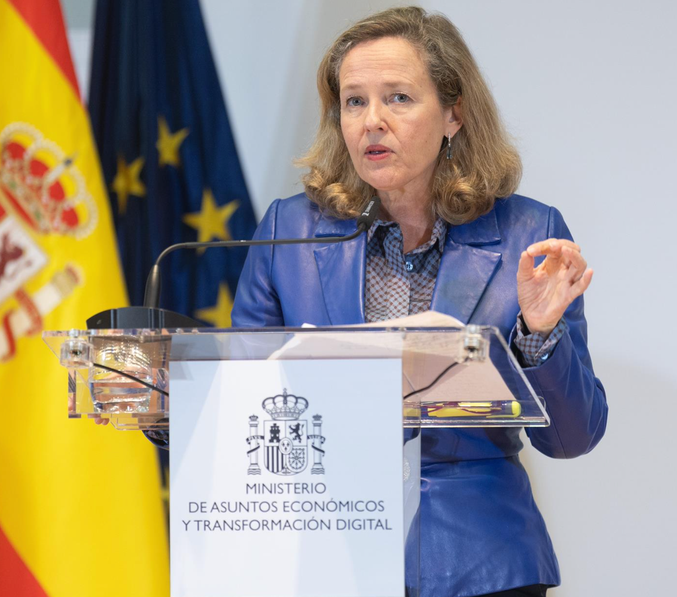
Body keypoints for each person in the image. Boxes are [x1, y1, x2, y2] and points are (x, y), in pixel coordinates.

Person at [231, 6, 607, 597]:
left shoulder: (527, 235)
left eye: (398, 98)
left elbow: (572, 438)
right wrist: (171, 402)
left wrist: (538, 335)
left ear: (454, 113)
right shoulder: (290, 231)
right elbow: (242, 398)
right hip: (327, 553)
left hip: (480, 559)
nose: (371, 122)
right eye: (354, 102)